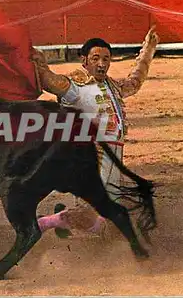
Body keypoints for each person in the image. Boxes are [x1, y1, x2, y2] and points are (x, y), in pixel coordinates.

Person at [32, 26, 159, 239]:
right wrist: (37, 58)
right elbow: (48, 81)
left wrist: (148, 51)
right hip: (93, 154)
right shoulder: (75, 85)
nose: (102, 64)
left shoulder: (112, 86)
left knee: (106, 219)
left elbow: (135, 81)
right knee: (102, 214)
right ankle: (43, 224)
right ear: (85, 60)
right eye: (96, 58)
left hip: (113, 155)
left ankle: (61, 220)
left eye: (106, 59)